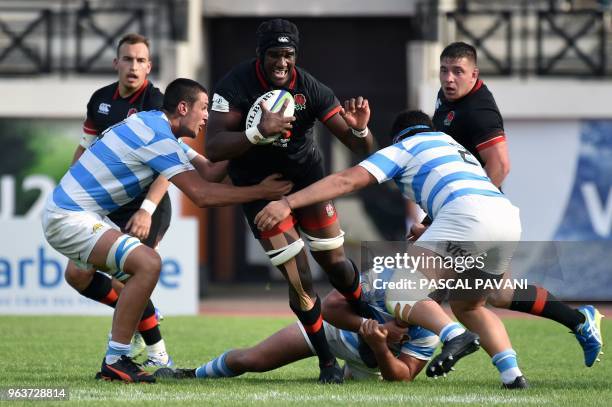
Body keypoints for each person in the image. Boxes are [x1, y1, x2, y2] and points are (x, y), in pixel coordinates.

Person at [256, 110, 533, 388]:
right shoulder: (452, 145)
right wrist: (431, 230)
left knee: (402, 291)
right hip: (507, 218)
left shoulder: (405, 147)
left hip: (466, 216)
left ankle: (453, 336)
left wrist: (288, 203)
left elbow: (346, 181)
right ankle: (512, 375)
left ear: (398, 137)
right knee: (470, 305)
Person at [42, 78, 293, 383]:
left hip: (76, 214)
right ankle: (116, 359)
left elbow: (212, 172)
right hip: (69, 217)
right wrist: (260, 191)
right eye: (202, 109)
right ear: (183, 108)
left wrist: (252, 136)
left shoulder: (156, 128)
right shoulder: (158, 137)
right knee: (148, 264)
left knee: (118, 276)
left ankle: (151, 352)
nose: (205, 117)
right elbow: (202, 195)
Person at [206, 18, 378, 383]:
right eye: (274, 55)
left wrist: (361, 129)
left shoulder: (311, 87)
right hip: (262, 191)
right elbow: (214, 146)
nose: (281, 63)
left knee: (334, 263)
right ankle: (327, 362)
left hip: (306, 185)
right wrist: (256, 133)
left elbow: (360, 148)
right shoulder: (235, 85)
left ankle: (371, 318)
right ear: (260, 56)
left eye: (288, 55)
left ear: (296, 56)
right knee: (299, 276)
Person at [431, 42, 603, 367]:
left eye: (458, 72)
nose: (449, 78)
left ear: (474, 74)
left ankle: (392, 352)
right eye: (444, 70)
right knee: (494, 295)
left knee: (421, 282)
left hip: (476, 216)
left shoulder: (478, 110)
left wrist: (456, 209)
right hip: (476, 213)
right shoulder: (447, 99)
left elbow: (500, 166)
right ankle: (576, 324)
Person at [65, 33, 180, 367]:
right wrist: (73, 191)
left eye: (140, 60)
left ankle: (158, 356)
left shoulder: (156, 103)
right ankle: (142, 311)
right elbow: (85, 149)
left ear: (149, 66)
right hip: (107, 205)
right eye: (127, 59)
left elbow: (168, 164)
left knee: (127, 274)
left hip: (146, 206)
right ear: (116, 63)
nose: (134, 66)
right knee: (77, 275)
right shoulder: (100, 99)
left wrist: (147, 210)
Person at [154, 269, 440, 382]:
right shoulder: (382, 277)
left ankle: (352, 369)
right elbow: (327, 307)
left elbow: (403, 376)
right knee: (252, 359)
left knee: (355, 388)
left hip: (372, 360)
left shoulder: (430, 325)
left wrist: (380, 346)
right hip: (333, 331)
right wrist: (366, 324)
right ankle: (193, 374)